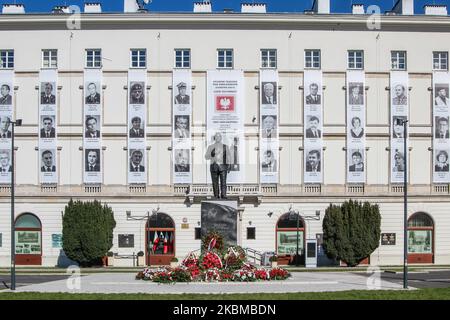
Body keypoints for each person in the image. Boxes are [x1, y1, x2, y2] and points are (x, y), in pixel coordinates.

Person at [205, 132, 231, 199]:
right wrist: (211, 154)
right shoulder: (210, 147)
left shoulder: (225, 147)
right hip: (214, 167)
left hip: (223, 167)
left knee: (223, 182)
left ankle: (224, 195)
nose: (217, 138)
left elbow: (228, 156)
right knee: (215, 183)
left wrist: (229, 165)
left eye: (219, 136)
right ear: (214, 138)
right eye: (216, 137)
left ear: (221, 138)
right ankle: (216, 195)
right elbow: (206, 157)